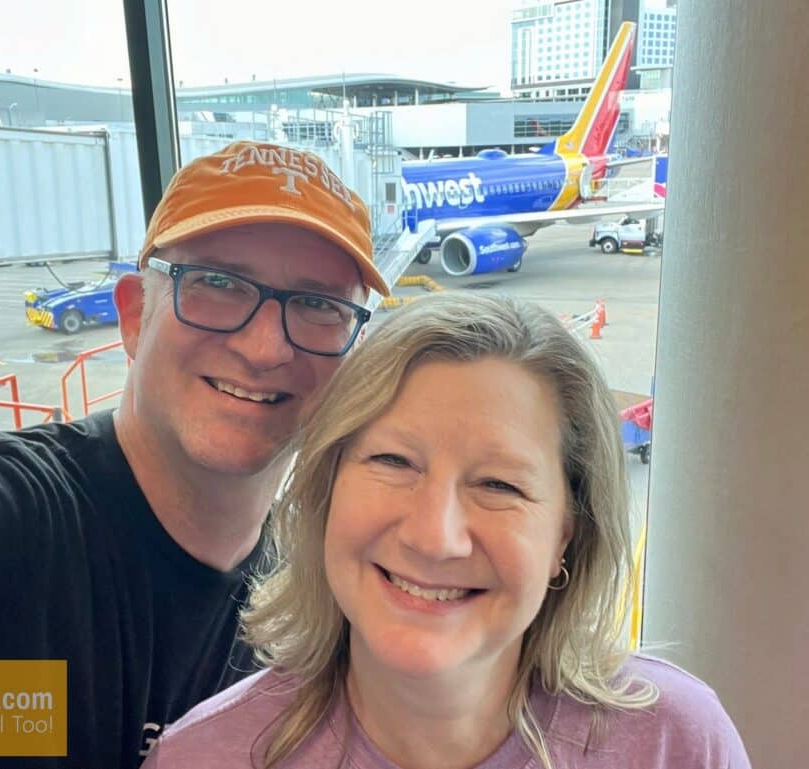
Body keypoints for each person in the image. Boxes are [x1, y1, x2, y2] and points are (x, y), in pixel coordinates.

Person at [0, 140, 389, 768]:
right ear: (133, 318)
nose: (265, 348)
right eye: (217, 282)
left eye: (318, 304)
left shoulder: (311, 598)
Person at [142, 293, 751, 769]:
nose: (435, 537)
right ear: (326, 493)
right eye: (393, 462)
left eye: (499, 486)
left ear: (565, 535)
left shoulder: (678, 745)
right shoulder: (201, 759)